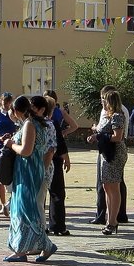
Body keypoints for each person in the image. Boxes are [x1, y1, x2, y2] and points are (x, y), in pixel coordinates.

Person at [0, 95, 57, 263]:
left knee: (25, 209)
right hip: (26, 171)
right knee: (21, 209)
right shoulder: (35, 123)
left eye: (13, 110)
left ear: (17, 111)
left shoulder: (30, 125)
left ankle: (42, 246)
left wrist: (10, 144)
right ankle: (22, 248)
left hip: (29, 172)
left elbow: (26, 151)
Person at [88, 89, 127, 236]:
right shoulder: (105, 116)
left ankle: (112, 221)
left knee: (114, 187)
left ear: (111, 102)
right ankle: (109, 220)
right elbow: (101, 131)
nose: (102, 102)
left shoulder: (117, 116)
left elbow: (117, 137)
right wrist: (95, 135)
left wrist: (100, 137)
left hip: (115, 153)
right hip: (106, 152)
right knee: (106, 186)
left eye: (104, 100)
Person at [45, 90, 77, 236]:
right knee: (57, 192)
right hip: (54, 159)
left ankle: (41, 225)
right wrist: (66, 157)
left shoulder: (32, 123)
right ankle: (57, 226)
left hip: (37, 162)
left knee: (40, 194)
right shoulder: (53, 123)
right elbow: (60, 141)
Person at [29, 95, 56, 227]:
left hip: (43, 168)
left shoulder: (48, 125)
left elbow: (51, 150)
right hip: (31, 167)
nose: (31, 110)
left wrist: (42, 170)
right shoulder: (30, 123)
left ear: (42, 109)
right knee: (33, 202)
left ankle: (42, 232)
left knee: (39, 202)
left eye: (34, 107)